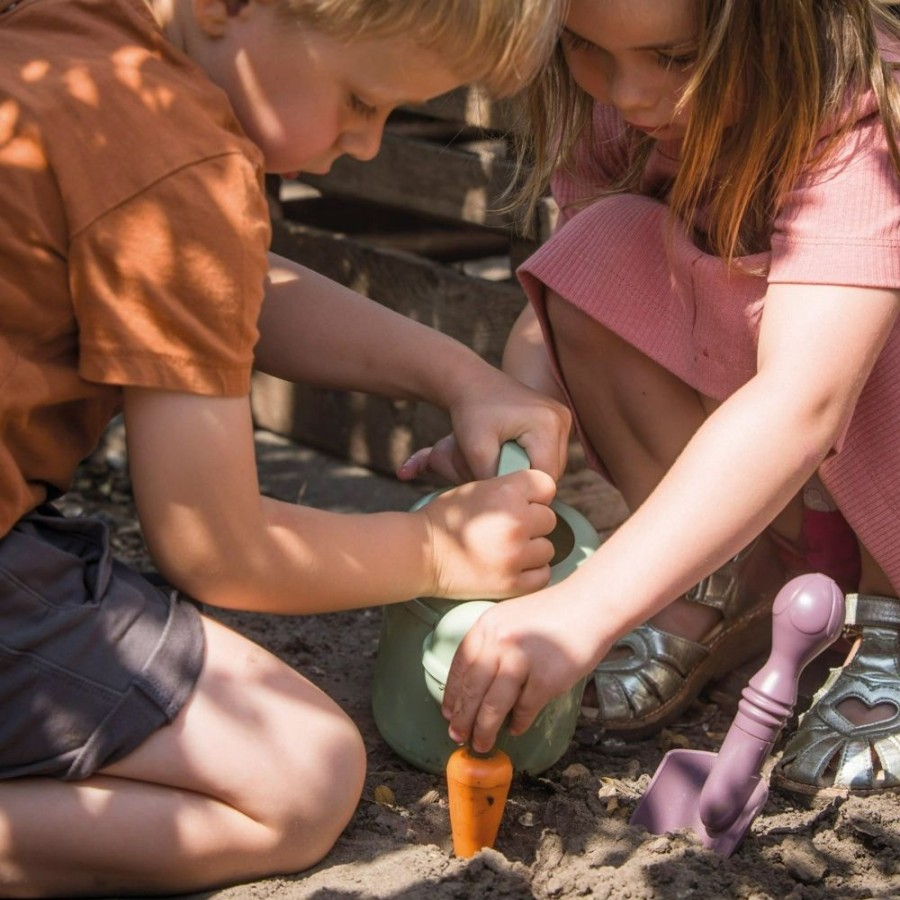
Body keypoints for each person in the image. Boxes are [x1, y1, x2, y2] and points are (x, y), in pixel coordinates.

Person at [0, 0, 572, 894]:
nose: (370, 143)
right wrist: (438, 547)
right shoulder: (175, 153)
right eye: (360, 99)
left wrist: (461, 376)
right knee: (300, 779)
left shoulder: (71, 44)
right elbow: (217, 549)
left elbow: (221, 284)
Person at [423, 0, 900, 798]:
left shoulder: (862, 117)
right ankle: (709, 585)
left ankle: (890, 625)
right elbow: (587, 287)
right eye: (586, 50)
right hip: (782, 504)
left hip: (866, 473)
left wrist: (585, 607)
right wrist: (514, 415)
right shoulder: (625, 111)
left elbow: (802, 401)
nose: (630, 94)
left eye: (674, 59)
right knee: (599, 243)